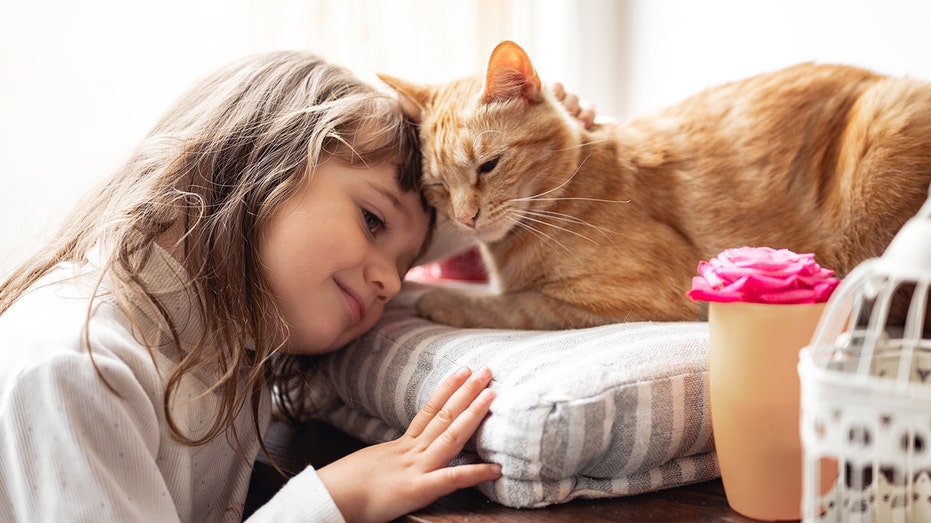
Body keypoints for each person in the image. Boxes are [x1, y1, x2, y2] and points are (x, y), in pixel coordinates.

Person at [0, 50, 594, 523]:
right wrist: (334, 500)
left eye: (406, 266)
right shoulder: (80, 367)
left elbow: (450, 212)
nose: (390, 280)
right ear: (258, 160)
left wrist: (538, 139)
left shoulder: (220, 328)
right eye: (372, 222)